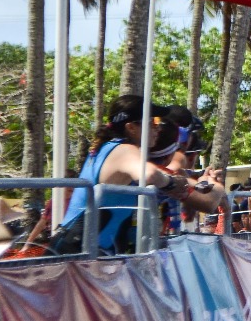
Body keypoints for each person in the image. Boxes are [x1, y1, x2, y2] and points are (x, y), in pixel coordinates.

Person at [52, 96, 222, 254]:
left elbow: (191, 189)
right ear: (131, 127)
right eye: (151, 122)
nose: (157, 128)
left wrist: (207, 183)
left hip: (88, 250)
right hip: (76, 251)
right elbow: (150, 174)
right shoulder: (124, 150)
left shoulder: (114, 150)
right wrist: (172, 183)